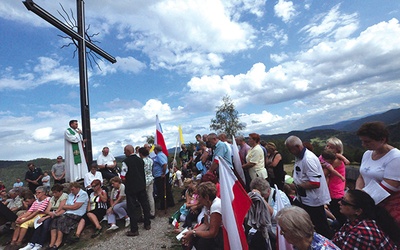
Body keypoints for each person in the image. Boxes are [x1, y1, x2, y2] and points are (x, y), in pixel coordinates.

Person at [285, 135, 332, 238]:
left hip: (314, 200)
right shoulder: (299, 157)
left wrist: (296, 186)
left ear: (297, 147)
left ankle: (328, 243)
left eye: (290, 149)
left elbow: (315, 183)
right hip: (306, 198)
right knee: (311, 224)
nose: (289, 151)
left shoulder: (308, 159)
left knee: (321, 226)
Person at [355, 121, 400, 226]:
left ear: (382, 139)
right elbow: (361, 175)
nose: (363, 145)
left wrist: (361, 200)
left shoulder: (395, 157)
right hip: (370, 203)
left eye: (367, 142)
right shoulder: (367, 154)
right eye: (362, 141)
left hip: (389, 207)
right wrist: (358, 192)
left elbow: (390, 186)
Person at [332, 189, 399, 249]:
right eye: (341, 199)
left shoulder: (361, 233)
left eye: (344, 202)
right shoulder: (352, 222)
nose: (339, 203)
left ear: (358, 211)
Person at [20, 184, 68, 250]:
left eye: (55, 192)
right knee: (39, 223)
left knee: (45, 223)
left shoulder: (64, 196)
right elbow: (47, 210)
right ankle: (32, 243)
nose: (53, 194)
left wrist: (50, 214)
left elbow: (60, 208)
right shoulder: (52, 198)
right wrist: (50, 213)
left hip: (58, 213)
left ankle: (40, 243)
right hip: (50, 213)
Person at [182, 181, 223, 250]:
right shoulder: (208, 205)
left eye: (199, 196)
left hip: (222, 236)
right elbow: (206, 224)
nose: (198, 199)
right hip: (216, 233)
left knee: (201, 244)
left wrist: (193, 232)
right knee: (192, 240)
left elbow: (213, 233)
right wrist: (190, 233)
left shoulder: (216, 206)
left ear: (206, 197)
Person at [48, 182, 89, 249]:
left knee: (62, 220)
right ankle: (51, 244)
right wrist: (60, 211)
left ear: (77, 188)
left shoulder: (83, 194)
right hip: (68, 213)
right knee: (54, 221)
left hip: (77, 214)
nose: (71, 191)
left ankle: (58, 242)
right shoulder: (71, 195)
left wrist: (66, 206)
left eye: (73, 189)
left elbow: (76, 206)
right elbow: (64, 207)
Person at [122, 145, 151, 236]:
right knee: (145, 205)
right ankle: (147, 223)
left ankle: (134, 229)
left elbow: (123, 177)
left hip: (131, 188)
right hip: (141, 186)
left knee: (132, 208)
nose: (124, 153)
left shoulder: (125, 162)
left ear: (128, 151)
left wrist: (127, 182)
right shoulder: (140, 160)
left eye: (124, 151)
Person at [153, 144, 175, 210]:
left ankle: (164, 205)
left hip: (160, 176)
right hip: (162, 174)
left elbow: (164, 164)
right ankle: (170, 202)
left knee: (161, 190)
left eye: (154, 149)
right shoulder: (162, 154)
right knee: (167, 189)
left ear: (156, 150)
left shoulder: (159, 156)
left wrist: (163, 173)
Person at [139, 147, 155, 218]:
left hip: (144, 181)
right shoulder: (150, 160)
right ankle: (152, 212)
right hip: (151, 178)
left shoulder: (141, 161)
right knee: (150, 196)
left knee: (143, 198)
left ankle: (144, 213)